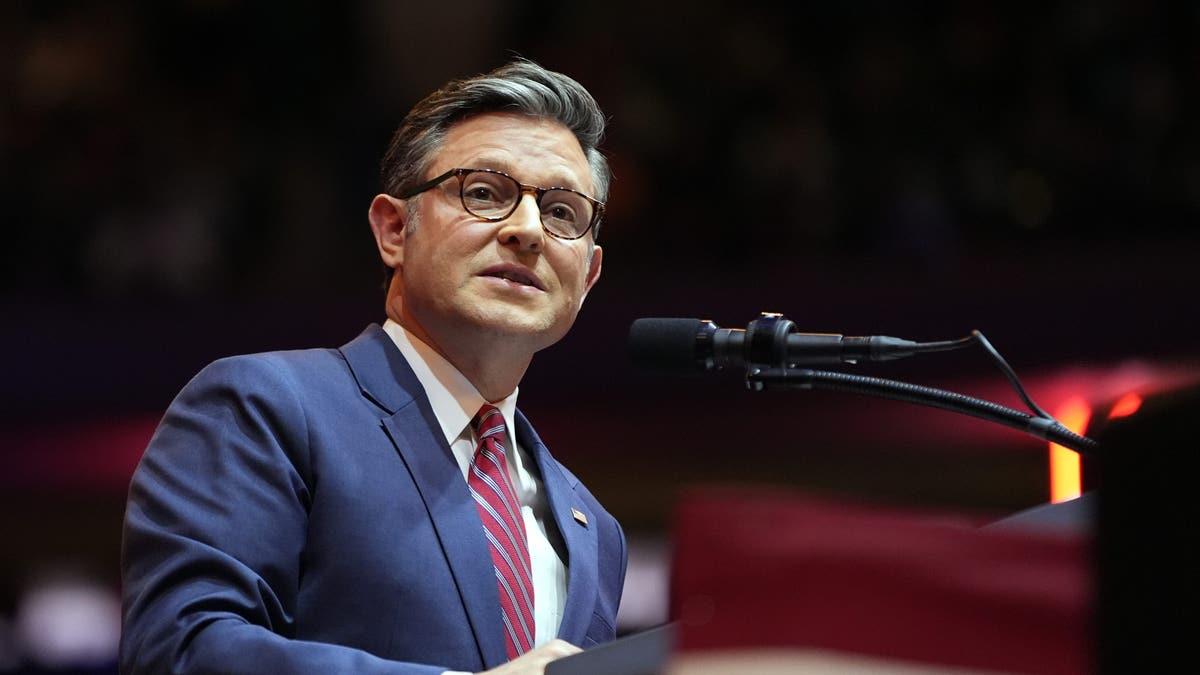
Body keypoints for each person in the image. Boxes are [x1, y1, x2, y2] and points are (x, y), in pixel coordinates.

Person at [119, 60, 626, 675]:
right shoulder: (265, 407)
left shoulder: (593, 525)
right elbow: (182, 650)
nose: (527, 230)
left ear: (589, 274)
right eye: (485, 193)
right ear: (393, 229)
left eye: (563, 212)